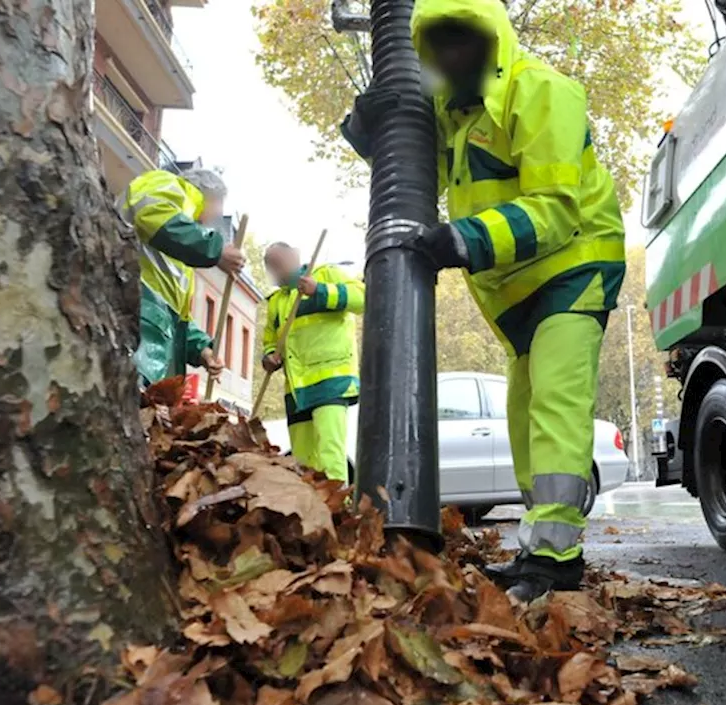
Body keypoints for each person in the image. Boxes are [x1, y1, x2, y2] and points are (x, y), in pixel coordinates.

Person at [341, 0, 626, 601]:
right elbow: (424, 171)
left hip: (575, 266)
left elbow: (557, 209)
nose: (451, 56)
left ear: (494, 38)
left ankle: (557, 562)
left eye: (463, 40)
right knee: (524, 421)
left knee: (554, 406)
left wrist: (463, 240)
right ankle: (539, 550)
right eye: (438, 44)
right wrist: (374, 135)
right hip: (515, 287)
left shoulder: (545, 93)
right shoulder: (453, 112)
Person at [122, 167, 246, 387]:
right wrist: (214, 249)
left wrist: (201, 349)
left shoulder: (179, 262)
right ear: (211, 198)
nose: (213, 225)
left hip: (147, 344)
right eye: (217, 214)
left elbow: (175, 320)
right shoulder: (168, 184)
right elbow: (151, 213)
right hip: (132, 324)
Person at [262, 243, 365, 482]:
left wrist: (320, 290)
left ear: (294, 257)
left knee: (330, 454)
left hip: (330, 381)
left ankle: (337, 513)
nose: (274, 272)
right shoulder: (276, 301)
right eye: (270, 267)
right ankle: (311, 513)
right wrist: (269, 357)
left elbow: (363, 298)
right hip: (297, 390)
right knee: (302, 462)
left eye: (277, 264)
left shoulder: (326, 274)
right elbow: (270, 338)